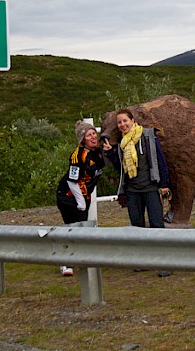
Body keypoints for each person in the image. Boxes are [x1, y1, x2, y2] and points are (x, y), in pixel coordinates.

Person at [102, 108, 172, 277]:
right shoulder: (122, 144)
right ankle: (143, 261)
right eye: (119, 122)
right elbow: (122, 170)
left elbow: (159, 159)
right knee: (137, 226)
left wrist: (164, 184)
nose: (122, 124)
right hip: (133, 190)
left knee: (157, 225)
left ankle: (166, 263)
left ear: (132, 121)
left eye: (125, 120)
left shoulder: (147, 136)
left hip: (151, 188)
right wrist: (111, 153)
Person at [55, 119, 105, 277]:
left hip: (84, 195)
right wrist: (81, 201)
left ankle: (80, 258)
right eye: (89, 135)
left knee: (81, 228)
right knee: (72, 228)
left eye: (94, 133)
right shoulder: (78, 155)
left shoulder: (98, 152)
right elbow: (72, 180)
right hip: (68, 196)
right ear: (83, 139)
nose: (93, 137)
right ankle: (65, 263)